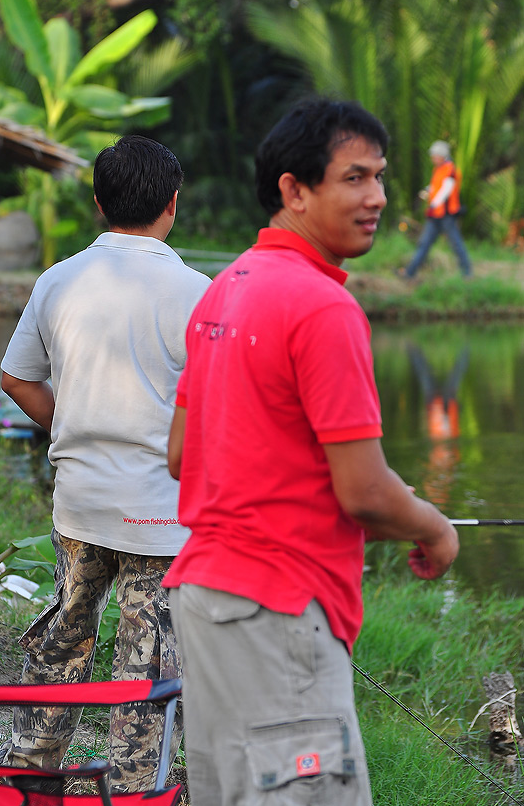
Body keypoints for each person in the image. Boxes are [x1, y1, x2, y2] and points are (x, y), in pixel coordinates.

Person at [163, 98, 459, 806]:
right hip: (280, 612)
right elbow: (363, 491)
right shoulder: (324, 307)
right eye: (353, 178)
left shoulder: (225, 289)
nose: (378, 197)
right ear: (294, 190)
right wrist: (432, 525)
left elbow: (181, 455)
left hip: (205, 603)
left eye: (381, 177)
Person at [0, 135, 211, 792]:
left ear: (97, 203)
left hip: (80, 505)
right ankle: (136, 793)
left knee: (62, 639)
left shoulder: (58, 280)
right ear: (173, 205)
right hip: (161, 518)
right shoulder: (199, 292)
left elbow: (16, 380)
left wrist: (77, 426)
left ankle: (29, 778)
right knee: (145, 668)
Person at [400, 140, 471, 278]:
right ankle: (409, 273)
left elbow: (446, 190)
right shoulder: (438, 169)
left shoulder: (450, 169)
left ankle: (467, 273)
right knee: (424, 244)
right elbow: (436, 186)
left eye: (434, 155)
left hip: (446, 215)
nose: (432, 158)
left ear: (441, 155)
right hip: (435, 215)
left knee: (456, 244)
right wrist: (427, 191)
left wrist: (434, 203)